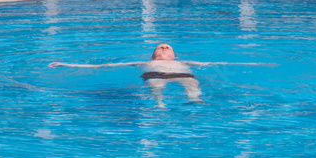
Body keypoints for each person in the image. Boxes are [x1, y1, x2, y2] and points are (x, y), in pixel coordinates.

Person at [50, 43, 206, 107]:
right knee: (155, 86)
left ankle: (193, 99)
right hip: (154, 74)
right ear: (153, 55)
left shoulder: (184, 62)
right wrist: (67, 64)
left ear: (175, 56)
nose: (164, 48)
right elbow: (106, 65)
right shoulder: (145, 63)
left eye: (167, 48)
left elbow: (215, 64)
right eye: (160, 48)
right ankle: (160, 104)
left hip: (182, 73)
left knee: (191, 83)